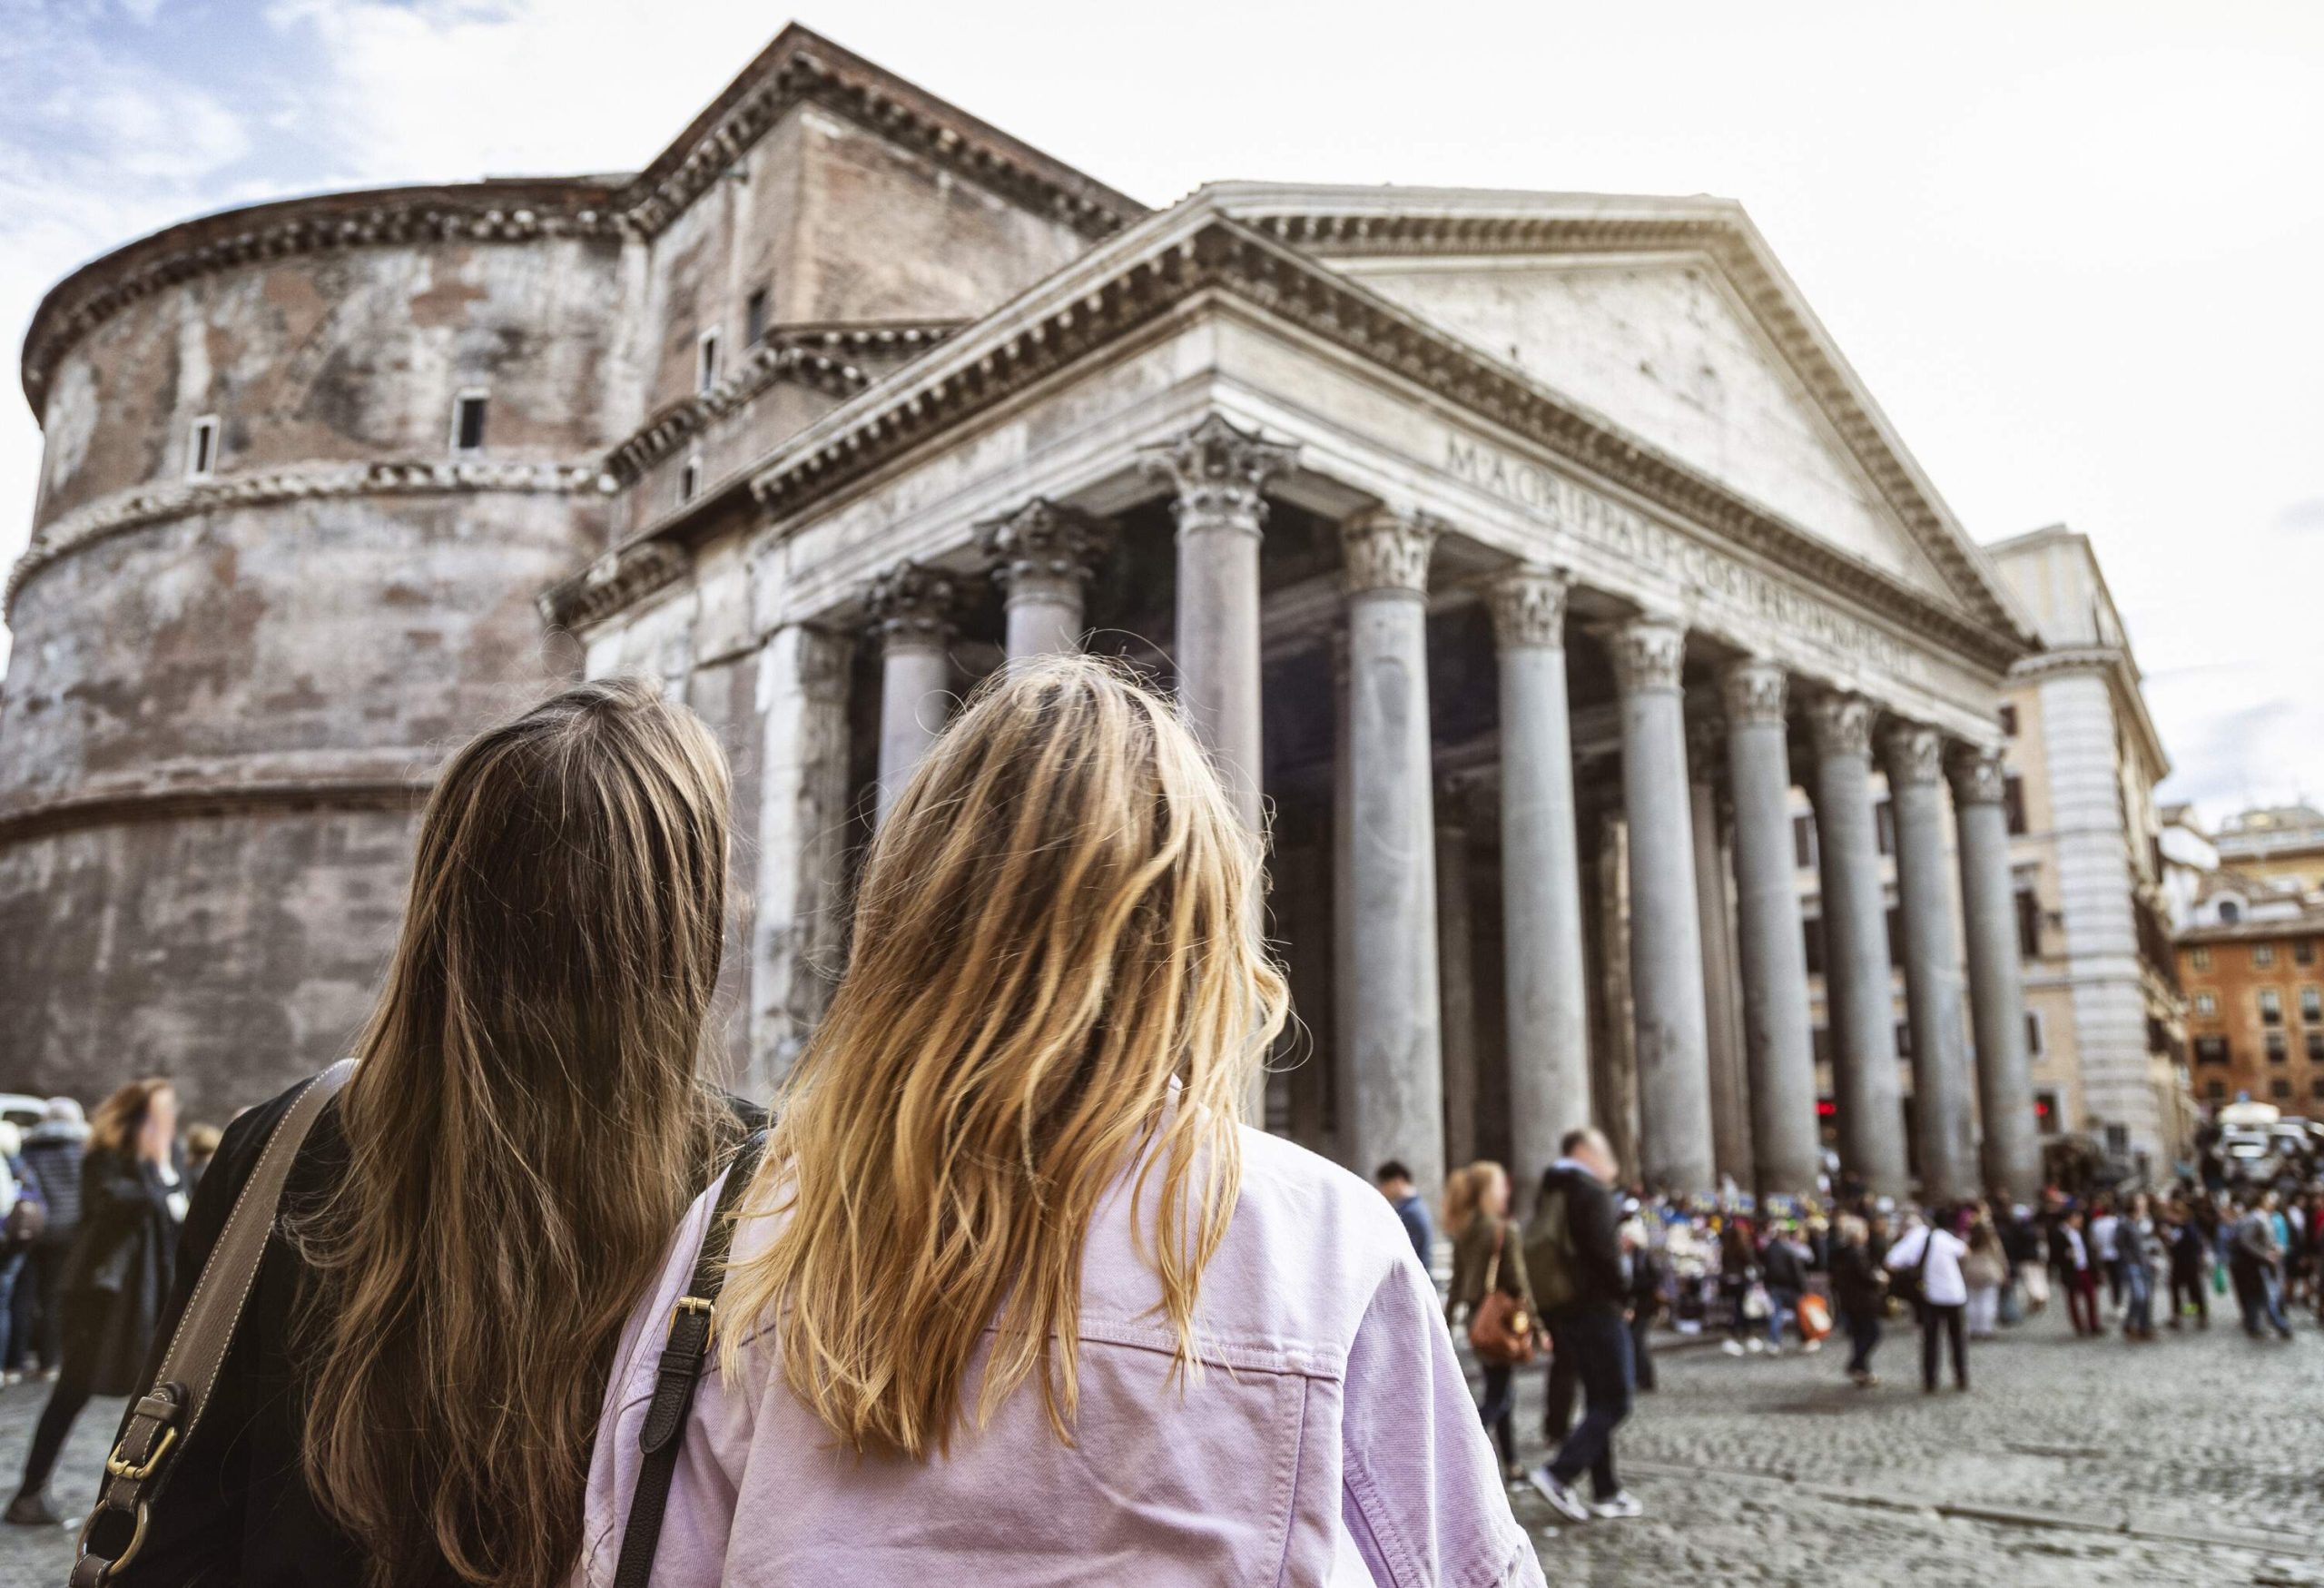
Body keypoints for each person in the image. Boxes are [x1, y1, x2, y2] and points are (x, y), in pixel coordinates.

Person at [576, 660, 1544, 1586]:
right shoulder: (1321, 1239)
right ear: (1199, 934)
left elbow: (639, 1555)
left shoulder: (737, 1232)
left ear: (909, 912)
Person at [68, 679, 751, 1585]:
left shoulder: (286, 1141)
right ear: (685, 911)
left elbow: (179, 1505)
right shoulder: (752, 1184)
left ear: (443, 893)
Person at [7, 1077, 188, 1524]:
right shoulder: (109, 1157)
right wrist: (160, 1173)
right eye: (158, 1112)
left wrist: (165, 1170)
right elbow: (112, 1207)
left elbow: (180, 1221)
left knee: (160, 1397)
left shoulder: (169, 1159)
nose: (167, 1120)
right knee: (74, 1389)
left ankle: (141, 1502)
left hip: (155, 1294)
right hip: (101, 1294)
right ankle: (30, 1493)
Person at [1522, 1127, 1641, 1524]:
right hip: (1598, 1309)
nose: (1611, 1163)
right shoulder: (1590, 1193)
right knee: (1616, 1400)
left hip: (1569, 1310)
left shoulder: (1554, 1191)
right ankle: (1559, 1473)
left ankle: (1607, 1490)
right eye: (1604, 1153)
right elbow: (1602, 1256)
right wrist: (1624, 1296)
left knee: (1597, 1398)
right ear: (1585, 1153)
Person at [1445, 1160, 1534, 1482]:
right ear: (1488, 1192)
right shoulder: (1502, 1229)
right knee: (1500, 1395)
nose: (1506, 1192)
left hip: (1476, 1320)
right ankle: (1460, 1454)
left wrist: (1448, 1319)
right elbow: (1518, 1282)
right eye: (1501, 1186)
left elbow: (1456, 1283)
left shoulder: (1464, 1229)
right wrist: (1537, 1325)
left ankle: (1512, 1464)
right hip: (1500, 1320)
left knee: (1501, 1388)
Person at [13, 1098, 85, 1378]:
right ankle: (50, 1362)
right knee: (54, 1297)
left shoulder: (30, 1147)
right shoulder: (82, 1148)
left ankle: (14, 1363)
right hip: (68, 1232)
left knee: (24, 1295)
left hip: (34, 1230)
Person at [1886, 1208, 1969, 1393]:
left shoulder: (1912, 1240)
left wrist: (1912, 1267)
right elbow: (1964, 1251)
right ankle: (1961, 1376)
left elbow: (1891, 1261)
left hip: (1933, 1296)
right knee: (1957, 1339)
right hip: (1955, 1293)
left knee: (1931, 1340)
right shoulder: (1940, 1236)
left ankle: (1931, 1380)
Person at [1830, 1213, 1886, 1386]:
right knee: (1873, 1333)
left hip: (1849, 1300)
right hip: (1863, 1301)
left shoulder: (1841, 1252)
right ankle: (1856, 1363)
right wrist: (1879, 1279)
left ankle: (1862, 1371)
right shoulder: (1857, 1253)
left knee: (1859, 1335)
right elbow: (1865, 1276)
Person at [1376, 1158, 1434, 1273]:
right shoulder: (1415, 1206)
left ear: (1397, 1181)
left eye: (1384, 1183)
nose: (1381, 1189)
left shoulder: (1410, 1212)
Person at [2118, 1193, 2159, 1341]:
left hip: (2147, 1262)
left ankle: (2144, 1326)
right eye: (2139, 1200)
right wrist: (2129, 1260)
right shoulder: (2125, 1223)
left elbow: (2151, 1240)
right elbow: (2120, 1245)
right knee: (2139, 1296)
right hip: (2133, 1264)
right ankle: (2129, 1323)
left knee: (2147, 1296)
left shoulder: (2146, 1220)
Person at [2055, 1207, 2101, 1337]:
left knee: (2090, 1296)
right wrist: (2066, 1255)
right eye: (2078, 1217)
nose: (2080, 1220)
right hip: (2070, 1270)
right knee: (2073, 1298)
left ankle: (2093, 1324)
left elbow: (2088, 1250)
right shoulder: (2060, 1233)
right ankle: (2079, 1326)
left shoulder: (2080, 1232)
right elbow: (2055, 1254)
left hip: (2084, 1267)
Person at [1960, 1217, 2007, 1339]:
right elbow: (2000, 1257)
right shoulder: (1991, 1241)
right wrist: (2004, 1271)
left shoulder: (1967, 1240)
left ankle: (1972, 1328)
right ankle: (1985, 1329)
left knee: (1972, 1302)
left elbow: (1962, 1257)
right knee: (1987, 1301)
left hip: (1971, 1272)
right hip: (1988, 1272)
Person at [2167, 1201, 2211, 1330]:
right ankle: (2178, 1315)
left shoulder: (2189, 1227)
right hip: (2179, 1263)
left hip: (2190, 1263)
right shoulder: (2175, 1227)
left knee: (2194, 1289)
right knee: (2176, 1289)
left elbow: (2196, 1244)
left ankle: (2201, 1315)